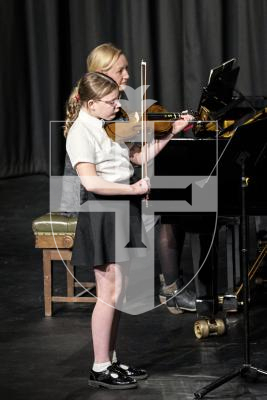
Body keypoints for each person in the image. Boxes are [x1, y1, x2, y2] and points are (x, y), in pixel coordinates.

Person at [64, 71, 192, 389]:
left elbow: (137, 156)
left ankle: (111, 359)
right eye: (111, 102)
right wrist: (134, 190)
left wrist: (171, 132)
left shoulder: (107, 125)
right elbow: (91, 182)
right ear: (91, 103)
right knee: (108, 293)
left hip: (122, 207)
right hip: (103, 212)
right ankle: (99, 365)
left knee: (118, 292)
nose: (117, 105)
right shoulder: (81, 132)